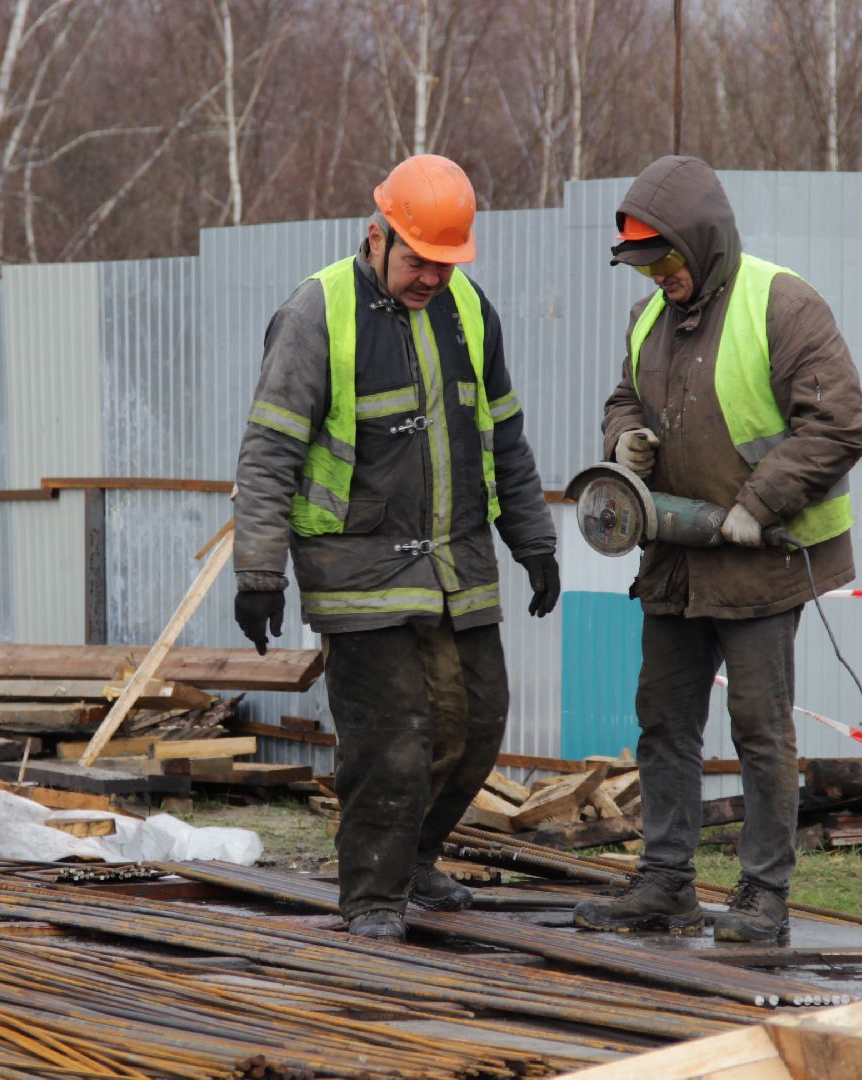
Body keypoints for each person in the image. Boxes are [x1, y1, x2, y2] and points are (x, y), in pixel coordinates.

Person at [232, 154, 560, 943]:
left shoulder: (470, 312)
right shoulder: (317, 312)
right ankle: (372, 894)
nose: (431, 278)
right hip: (357, 569)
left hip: (458, 561)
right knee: (394, 738)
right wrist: (258, 570)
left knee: (477, 723)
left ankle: (415, 858)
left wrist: (534, 540)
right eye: (418, 260)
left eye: (446, 264)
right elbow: (270, 448)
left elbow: (504, 438)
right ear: (375, 236)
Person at [576, 155, 862, 944]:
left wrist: (757, 504)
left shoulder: (783, 305)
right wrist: (623, 436)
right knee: (663, 722)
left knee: (759, 728)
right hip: (674, 557)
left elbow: (839, 423)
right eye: (646, 265)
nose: (659, 277)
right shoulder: (650, 318)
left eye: (667, 260)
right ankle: (666, 884)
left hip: (765, 558)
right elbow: (624, 393)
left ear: (702, 243)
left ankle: (763, 896)